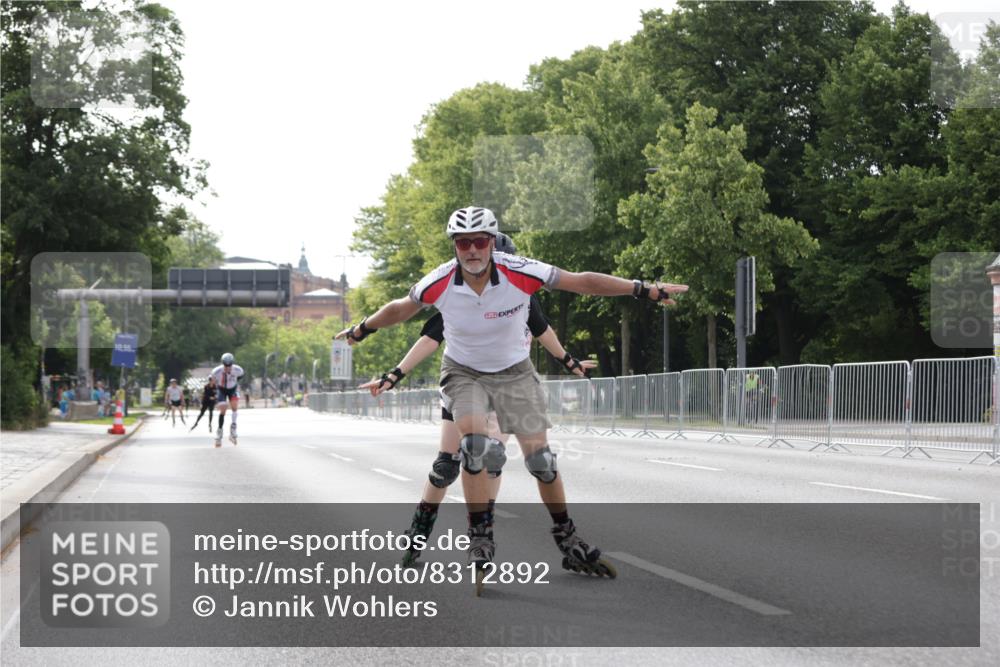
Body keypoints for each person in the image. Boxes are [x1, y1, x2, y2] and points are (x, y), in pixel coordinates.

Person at [337, 206, 687, 585]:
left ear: (492, 244)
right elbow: (402, 311)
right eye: (464, 243)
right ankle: (479, 538)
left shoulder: (521, 275)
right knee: (469, 449)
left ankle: (568, 539)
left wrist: (644, 289)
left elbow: (581, 282)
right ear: (455, 246)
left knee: (542, 463)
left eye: (480, 241)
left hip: (516, 375)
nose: (472, 250)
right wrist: (362, 331)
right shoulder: (440, 282)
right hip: (464, 373)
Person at [358, 232, 596, 568]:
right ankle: (419, 530)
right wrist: (395, 374)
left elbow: (543, 331)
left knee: (494, 455)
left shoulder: (519, 293)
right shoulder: (462, 297)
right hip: (464, 384)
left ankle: (487, 531)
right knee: (445, 467)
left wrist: (569, 362)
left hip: (506, 383)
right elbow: (429, 339)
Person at [211, 352, 244, 446]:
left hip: (232, 389)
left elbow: (240, 377)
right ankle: (219, 431)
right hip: (221, 390)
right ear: (222, 364)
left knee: (234, 407)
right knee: (223, 410)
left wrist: (233, 382)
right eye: (226, 365)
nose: (227, 367)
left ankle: (233, 428)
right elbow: (213, 383)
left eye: (229, 365)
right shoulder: (216, 371)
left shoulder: (238, 370)